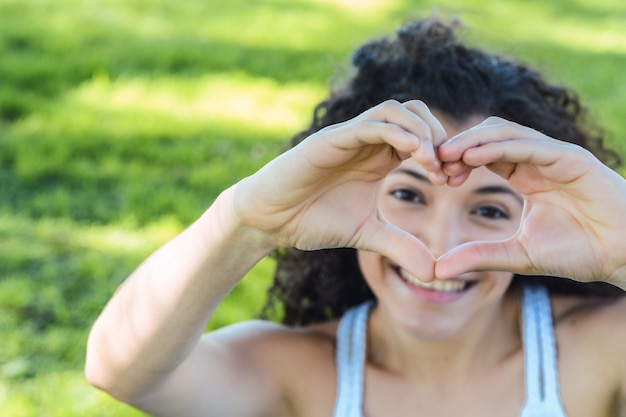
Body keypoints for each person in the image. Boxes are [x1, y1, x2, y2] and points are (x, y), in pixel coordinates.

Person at [85, 17, 626, 417]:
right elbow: (122, 370)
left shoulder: (597, 349)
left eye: (488, 209)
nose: (439, 249)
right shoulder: (303, 371)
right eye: (409, 197)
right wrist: (247, 221)